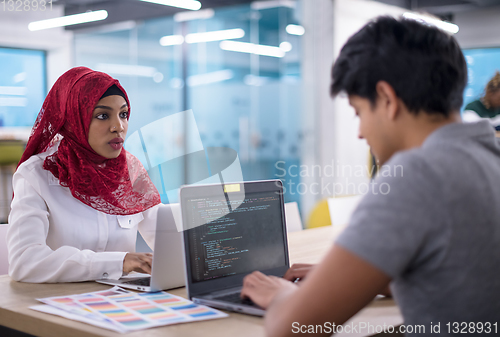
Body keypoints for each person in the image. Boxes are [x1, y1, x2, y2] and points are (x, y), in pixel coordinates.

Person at [240, 16, 500, 336]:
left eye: (359, 111)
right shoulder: (489, 154)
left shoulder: (416, 176)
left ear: (387, 99)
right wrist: (349, 277)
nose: (361, 132)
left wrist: (284, 295)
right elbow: (464, 269)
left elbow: (291, 327)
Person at [7, 67, 162, 283]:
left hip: (123, 302)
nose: (118, 126)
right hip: (58, 305)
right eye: (102, 116)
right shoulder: (36, 175)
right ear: (72, 119)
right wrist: (119, 262)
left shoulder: (130, 170)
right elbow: (25, 262)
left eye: (123, 114)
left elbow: (166, 238)